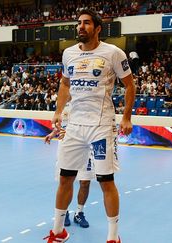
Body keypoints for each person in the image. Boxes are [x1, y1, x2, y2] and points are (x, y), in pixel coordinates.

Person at [44, 9, 135, 243]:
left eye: (86, 23)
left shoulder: (113, 53)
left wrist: (126, 117)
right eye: (78, 23)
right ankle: (57, 231)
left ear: (97, 28)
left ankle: (113, 236)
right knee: (65, 178)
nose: (80, 27)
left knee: (106, 181)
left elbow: (129, 85)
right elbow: (65, 84)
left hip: (101, 126)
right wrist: (57, 111)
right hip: (74, 125)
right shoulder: (68, 53)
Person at [45, 103, 94, 229]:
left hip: (86, 146)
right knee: (66, 181)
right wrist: (53, 134)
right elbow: (58, 127)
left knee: (85, 182)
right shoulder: (62, 106)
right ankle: (64, 212)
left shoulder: (89, 102)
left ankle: (79, 212)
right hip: (66, 148)